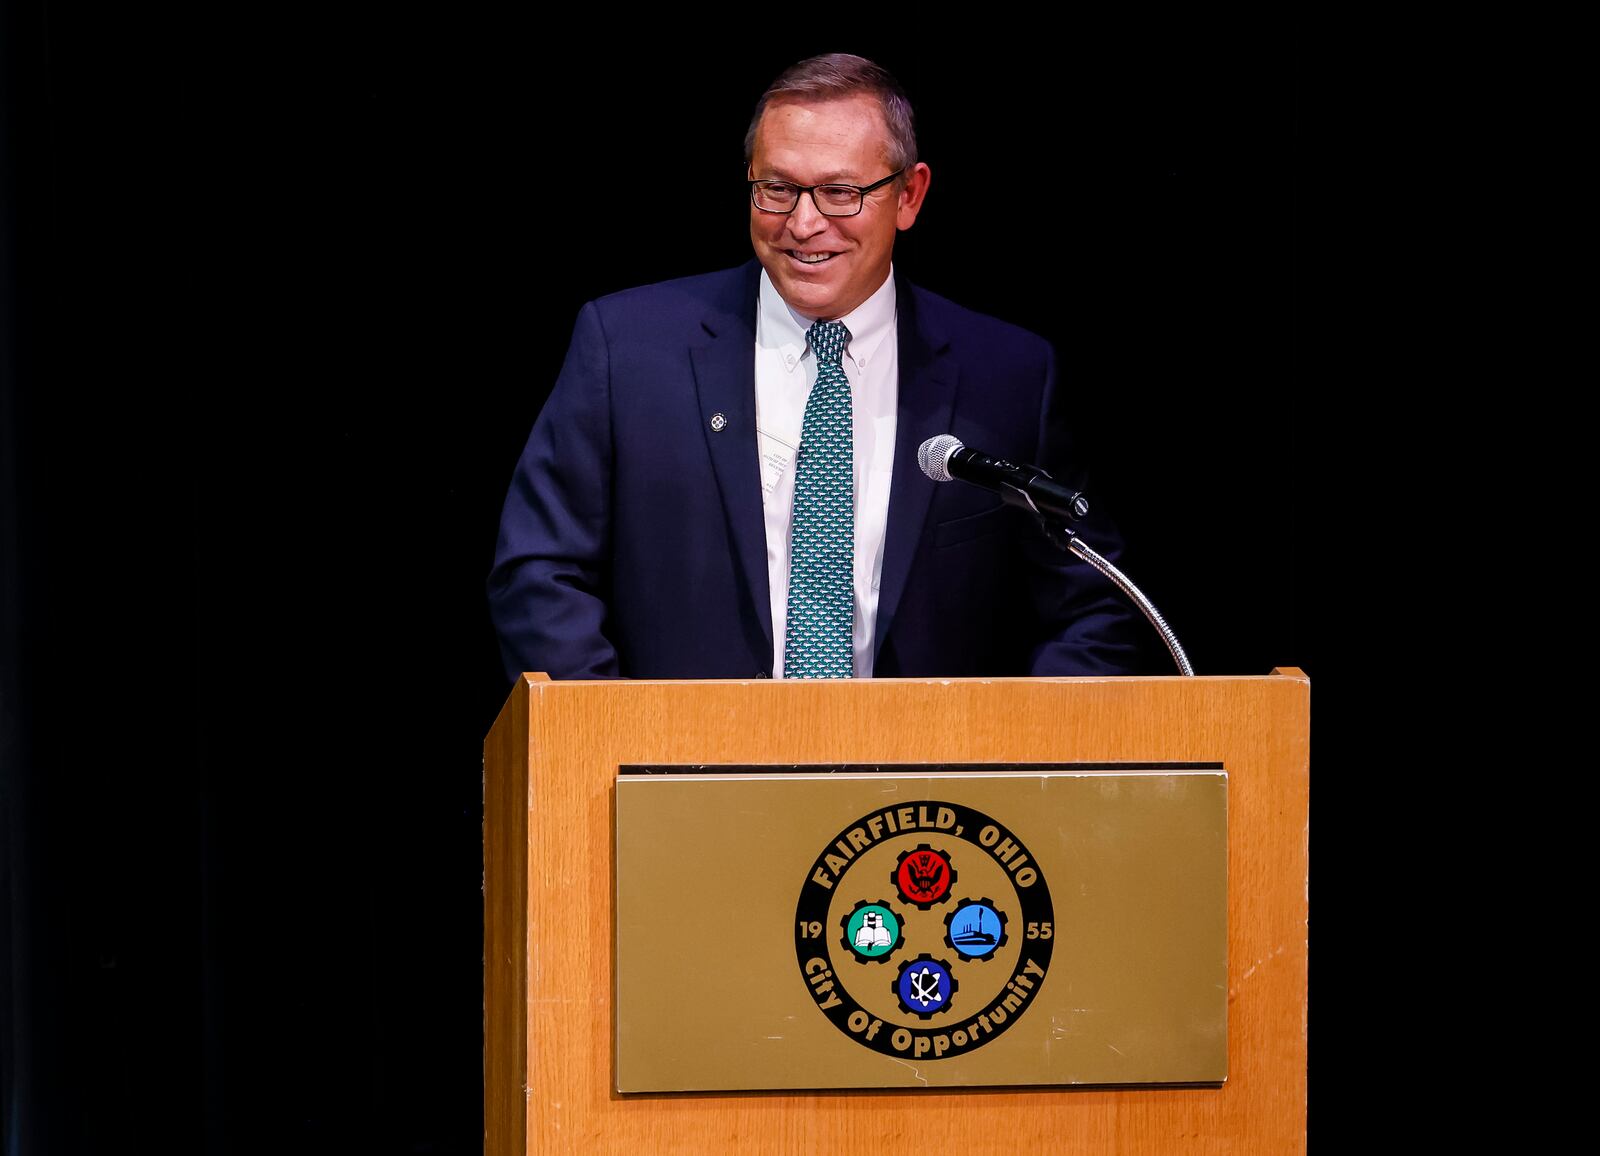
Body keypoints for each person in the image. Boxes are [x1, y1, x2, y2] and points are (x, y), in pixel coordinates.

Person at [489, 54, 1143, 681]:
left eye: (838, 192)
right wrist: (614, 747)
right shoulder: (627, 349)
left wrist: (1024, 759)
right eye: (777, 189)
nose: (803, 224)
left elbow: (1094, 605)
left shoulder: (1007, 377)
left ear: (909, 196)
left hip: (923, 789)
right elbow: (540, 573)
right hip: (679, 782)